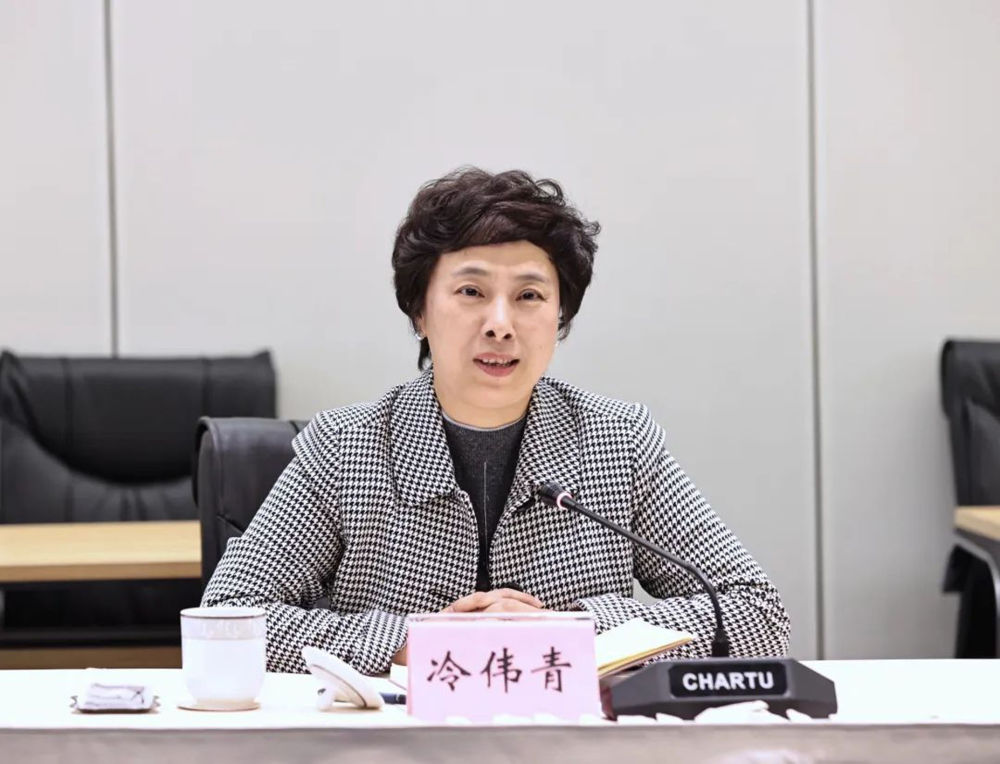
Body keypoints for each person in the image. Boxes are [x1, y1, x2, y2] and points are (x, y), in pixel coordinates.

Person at [202, 167, 790, 674]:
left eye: (530, 296)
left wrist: (573, 631)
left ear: (560, 317)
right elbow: (228, 618)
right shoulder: (345, 448)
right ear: (420, 312)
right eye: (471, 291)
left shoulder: (618, 441)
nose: (500, 324)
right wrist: (412, 640)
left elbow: (757, 613)